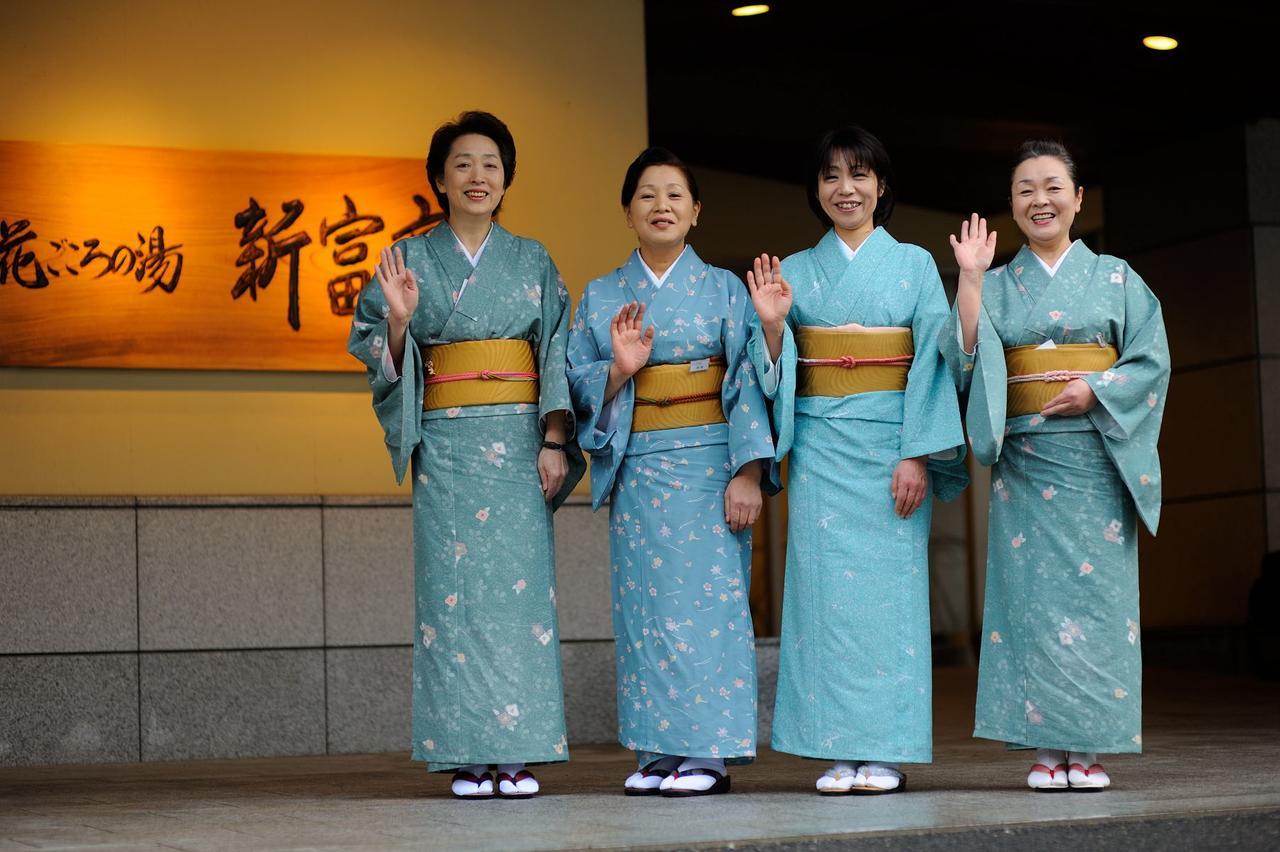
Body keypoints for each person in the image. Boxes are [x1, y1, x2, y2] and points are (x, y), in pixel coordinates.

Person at [347, 110, 584, 800]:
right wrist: (396, 320)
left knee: (519, 604)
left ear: (506, 178)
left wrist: (553, 439)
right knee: (452, 605)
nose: (478, 176)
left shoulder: (533, 259)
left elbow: (557, 350)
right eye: (462, 164)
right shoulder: (410, 260)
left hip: (518, 446)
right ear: (438, 180)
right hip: (448, 450)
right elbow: (376, 356)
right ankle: (467, 754)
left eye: (491, 164)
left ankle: (518, 751)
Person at [746, 125, 967, 795]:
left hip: (889, 450)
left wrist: (917, 455)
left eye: (859, 174)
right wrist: (775, 327)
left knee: (890, 602)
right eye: (832, 176)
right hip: (819, 450)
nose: (846, 188)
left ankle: (886, 748)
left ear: (882, 186)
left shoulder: (916, 265)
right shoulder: (798, 271)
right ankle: (835, 750)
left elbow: (932, 361)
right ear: (816, 191)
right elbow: (777, 375)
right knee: (821, 601)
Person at [941, 139, 1169, 790]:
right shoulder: (1001, 282)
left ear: (1077, 198)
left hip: (1098, 460)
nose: (1039, 200)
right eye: (1024, 189)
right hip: (1029, 463)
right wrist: (973, 282)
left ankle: (1089, 749)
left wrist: (1097, 390)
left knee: (1098, 606)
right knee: (1031, 606)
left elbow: (1152, 360)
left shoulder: (1119, 278)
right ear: (1011, 205)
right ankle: (1045, 747)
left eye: (1051, 186)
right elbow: (962, 360)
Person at [567, 147, 777, 797]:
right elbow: (577, 380)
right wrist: (618, 372)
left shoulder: (723, 291)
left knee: (708, 610)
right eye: (647, 195)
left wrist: (747, 472)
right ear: (627, 211)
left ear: (695, 213)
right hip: (639, 466)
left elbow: (748, 383)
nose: (661, 206)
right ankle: (657, 751)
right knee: (645, 613)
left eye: (675, 195)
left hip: (712, 464)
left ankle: (708, 752)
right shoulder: (603, 294)